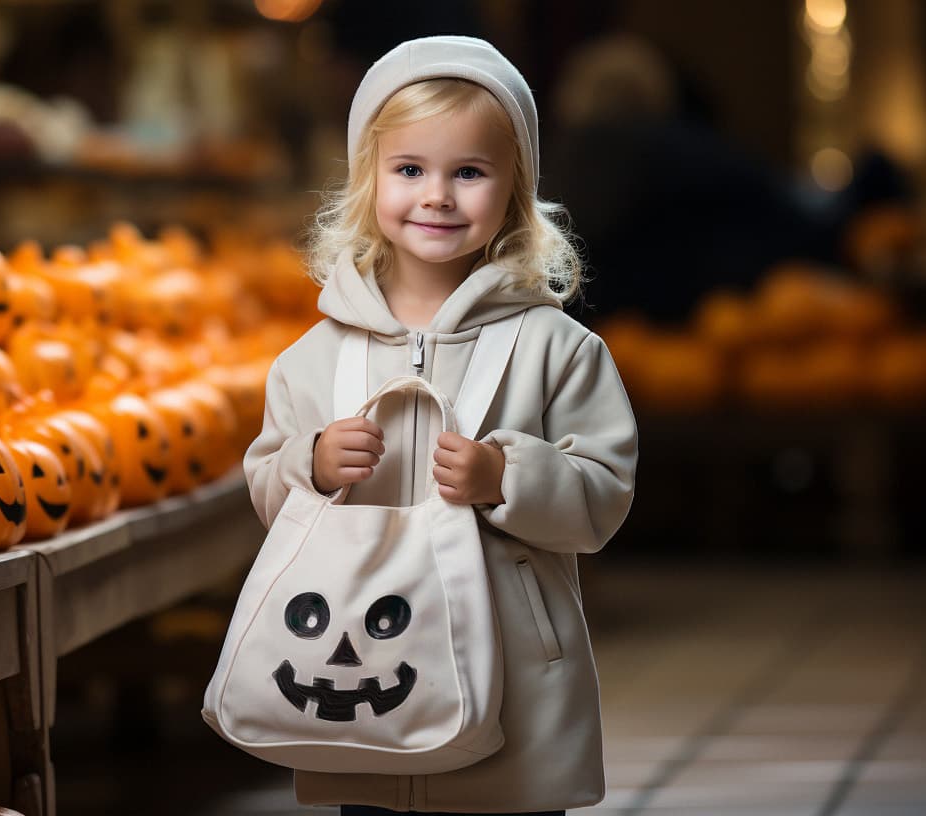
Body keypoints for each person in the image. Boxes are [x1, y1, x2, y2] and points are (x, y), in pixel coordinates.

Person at [243, 36, 638, 815]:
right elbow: (264, 485)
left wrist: (507, 478)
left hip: (513, 688)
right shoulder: (311, 359)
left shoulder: (558, 349)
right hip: (363, 686)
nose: (437, 195)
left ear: (515, 189)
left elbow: (604, 494)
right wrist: (311, 465)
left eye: (469, 172)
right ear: (369, 180)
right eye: (410, 170)